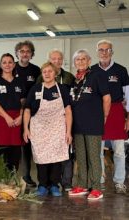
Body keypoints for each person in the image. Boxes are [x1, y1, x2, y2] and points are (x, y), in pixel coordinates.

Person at [23, 62, 72, 197]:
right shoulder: (36, 89)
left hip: (57, 127)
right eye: (44, 72)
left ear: (55, 73)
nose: (47, 74)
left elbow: (68, 111)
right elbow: (27, 110)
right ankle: (43, 185)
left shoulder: (62, 89)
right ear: (42, 74)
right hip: (38, 127)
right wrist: (25, 129)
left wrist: (68, 131)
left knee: (56, 157)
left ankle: (54, 185)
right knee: (41, 157)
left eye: (50, 71)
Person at [68, 49, 111, 200]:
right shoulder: (75, 80)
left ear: (89, 61)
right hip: (78, 125)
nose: (80, 61)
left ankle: (96, 188)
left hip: (93, 124)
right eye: (77, 59)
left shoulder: (97, 76)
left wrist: (104, 116)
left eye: (83, 59)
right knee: (80, 157)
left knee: (94, 157)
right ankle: (82, 184)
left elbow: (106, 98)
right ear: (74, 63)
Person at [91, 39, 129, 194]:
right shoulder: (91, 70)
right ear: (97, 52)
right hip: (97, 113)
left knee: (119, 151)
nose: (104, 52)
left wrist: (128, 117)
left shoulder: (121, 70)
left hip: (117, 113)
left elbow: (128, 94)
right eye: (101, 50)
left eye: (107, 50)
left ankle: (119, 182)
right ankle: (99, 182)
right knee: (98, 151)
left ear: (112, 52)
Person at [37, 49, 75, 191]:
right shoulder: (41, 79)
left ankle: (65, 182)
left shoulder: (69, 77)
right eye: (54, 58)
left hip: (63, 121)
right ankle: (46, 183)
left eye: (59, 59)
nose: (57, 61)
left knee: (64, 152)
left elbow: (71, 100)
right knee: (45, 154)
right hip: (44, 125)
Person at [0, 53, 26, 171]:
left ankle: (12, 181)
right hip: (1, 119)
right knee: (0, 152)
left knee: (15, 153)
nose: (7, 65)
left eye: (10, 62)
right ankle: (1, 181)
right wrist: (7, 117)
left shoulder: (19, 82)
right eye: (4, 62)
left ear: (14, 65)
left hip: (17, 120)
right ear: (0, 65)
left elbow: (24, 101)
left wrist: (21, 116)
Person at [14, 40, 41, 187]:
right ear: (17, 53)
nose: (25, 54)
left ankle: (26, 176)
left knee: (27, 145)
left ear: (31, 54)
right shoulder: (11, 68)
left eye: (28, 51)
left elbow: (39, 91)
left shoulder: (36, 70)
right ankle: (11, 175)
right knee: (12, 145)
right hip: (13, 111)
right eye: (22, 51)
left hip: (31, 112)